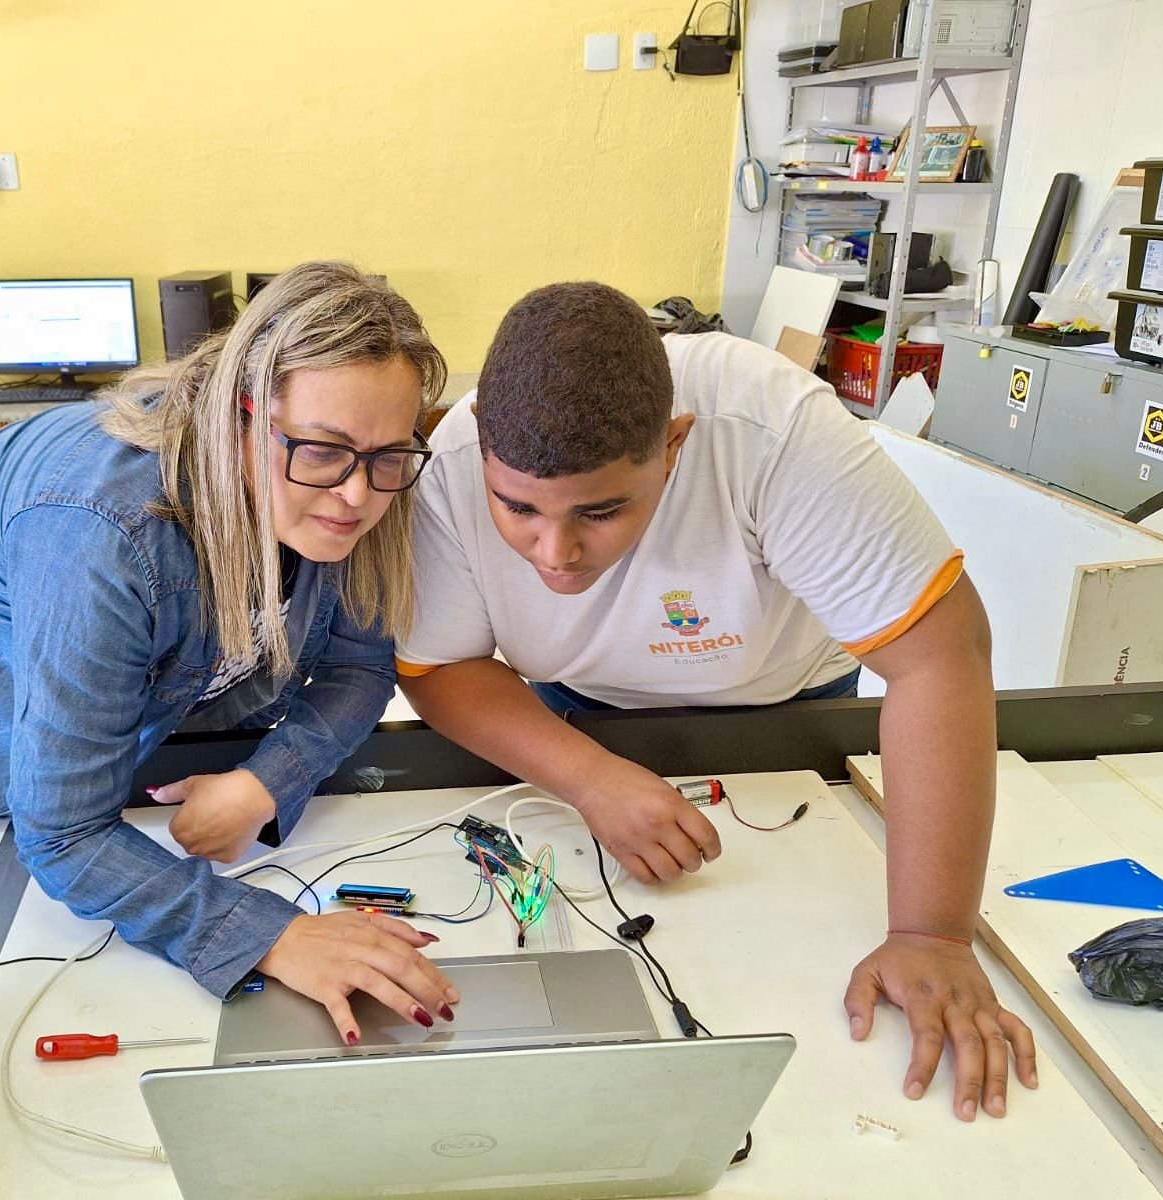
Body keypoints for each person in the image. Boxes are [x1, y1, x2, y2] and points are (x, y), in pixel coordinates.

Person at [0, 261, 458, 1043]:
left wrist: (264, 783)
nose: (359, 496)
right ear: (242, 416)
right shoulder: (102, 528)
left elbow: (359, 666)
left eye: (390, 456)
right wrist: (274, 936)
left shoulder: (362, 473)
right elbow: (63, 832)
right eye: (324, 451)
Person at [397, 281, 1037, 1120]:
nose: (554, 553)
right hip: (567, 704)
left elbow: (940, 659)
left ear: (674, 445)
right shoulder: (448, 463)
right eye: (516, 507)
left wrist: (932, 933)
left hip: (786, 704)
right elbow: (440, 667)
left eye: (601, 509)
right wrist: (588, 777)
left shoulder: (772, 428)